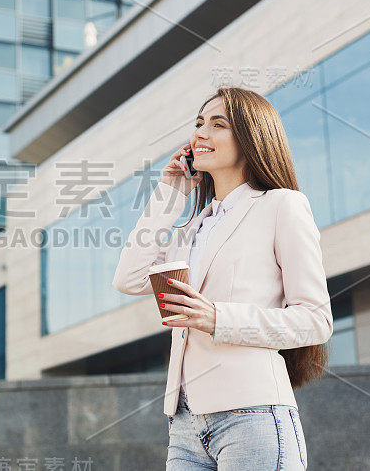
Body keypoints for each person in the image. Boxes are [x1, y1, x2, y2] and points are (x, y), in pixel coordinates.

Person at [112, 87, 333, 470]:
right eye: (198, 123)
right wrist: (170, 193)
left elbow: (316, 320)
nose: (200, 133)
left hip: (252, 415)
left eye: (218, 124)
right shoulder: (190, 230)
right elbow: (128, 277)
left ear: (251, 138)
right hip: (184, 426)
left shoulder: (282, 206)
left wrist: (217, 318)